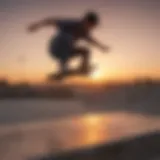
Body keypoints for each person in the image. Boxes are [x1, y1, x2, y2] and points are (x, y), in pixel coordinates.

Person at [28, 11, 109, 79]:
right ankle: (63, 68)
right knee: (67, 37)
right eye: (91, 25)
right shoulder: (72, 23)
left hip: (66, 51)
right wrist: (36, 25)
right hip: (55, 48)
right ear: (86, 21)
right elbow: (51, 21)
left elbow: (92, 41)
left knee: (85, 51)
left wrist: (102, 47)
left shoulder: (85, 32)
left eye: (93, 27)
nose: (91, 28)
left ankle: (83, 69)